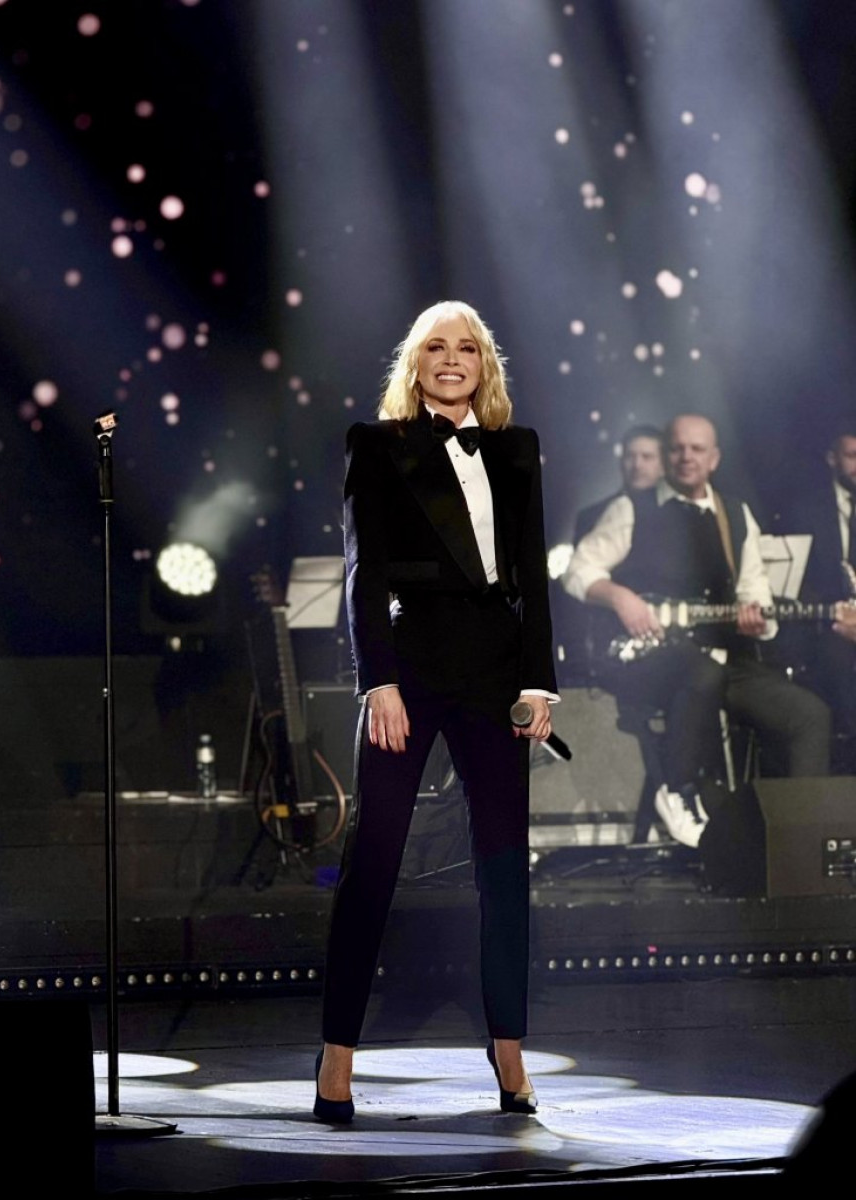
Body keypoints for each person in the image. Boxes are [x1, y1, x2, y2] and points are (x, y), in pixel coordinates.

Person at [315, 301, 558, 1123]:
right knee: (374, 858)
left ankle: (509, 1047)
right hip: (410, 667)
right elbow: (363, 570)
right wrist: (376, 683)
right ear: (414, 364)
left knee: (504, 867)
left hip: (496, 674)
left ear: (484, 364)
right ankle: (337, 1054)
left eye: (467, 348)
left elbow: (532, 573)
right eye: (436, 348)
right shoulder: (376, 445)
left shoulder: (517, 449)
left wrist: (538, 683)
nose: (452, 359)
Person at [563, 414, 830, 848]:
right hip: (652, 660)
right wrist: (621, 598)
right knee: (701, 673)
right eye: (677, 448)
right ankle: (678, 790)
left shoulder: (735, 514)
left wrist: (759, 622)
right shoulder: (633, 508)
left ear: (714, 459)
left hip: (721, 660)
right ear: (667, 455)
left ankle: (801, 842)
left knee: (808, 714)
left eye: (697, 449)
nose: (686, 457)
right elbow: (578, 570)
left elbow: (754, 592)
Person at [780, 427, 856, 744]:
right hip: (825, 624)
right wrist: (837, 616)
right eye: (852, 456)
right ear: (831, 459)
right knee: (837, 659)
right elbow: (794, 584)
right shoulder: (803, 510)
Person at [574, 424, 665, 543]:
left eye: (647, 457)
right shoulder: (590, 517)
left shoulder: (677, 517)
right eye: (630, 456)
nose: (637, 465)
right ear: (621, 462)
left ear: (664, 465)